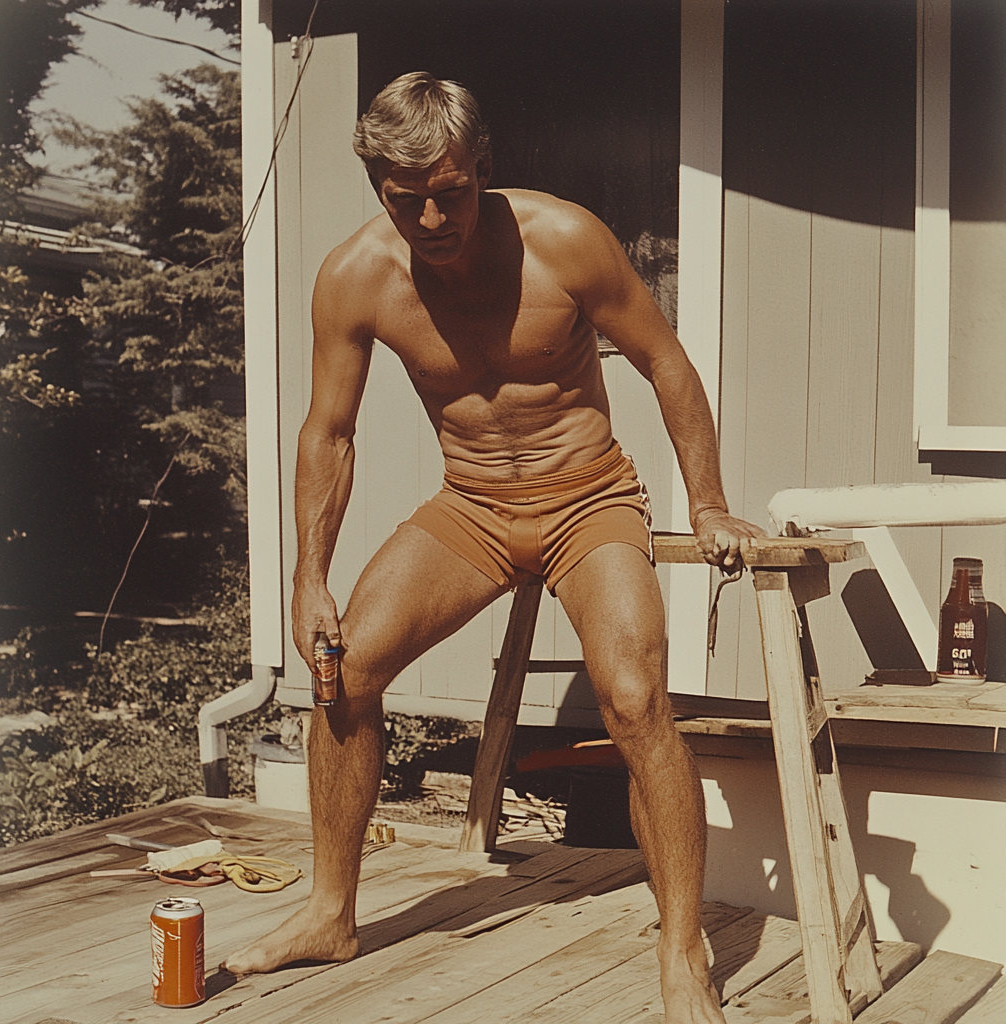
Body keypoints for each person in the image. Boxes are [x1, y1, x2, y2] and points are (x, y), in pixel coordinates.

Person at [225, 72, 764, 1024]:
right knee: (338, 670)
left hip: (589, 499)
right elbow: (328, 433)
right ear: (376, 185)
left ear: (482, 167)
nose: (433, 216)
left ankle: (683, 954)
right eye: (407, 198)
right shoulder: (355, 276)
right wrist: (308, 580)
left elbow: (664, 362)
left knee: (636, 697)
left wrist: (710, 503)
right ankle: (328, 913)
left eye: (451, 190)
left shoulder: (564, 240)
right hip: (472, 506)